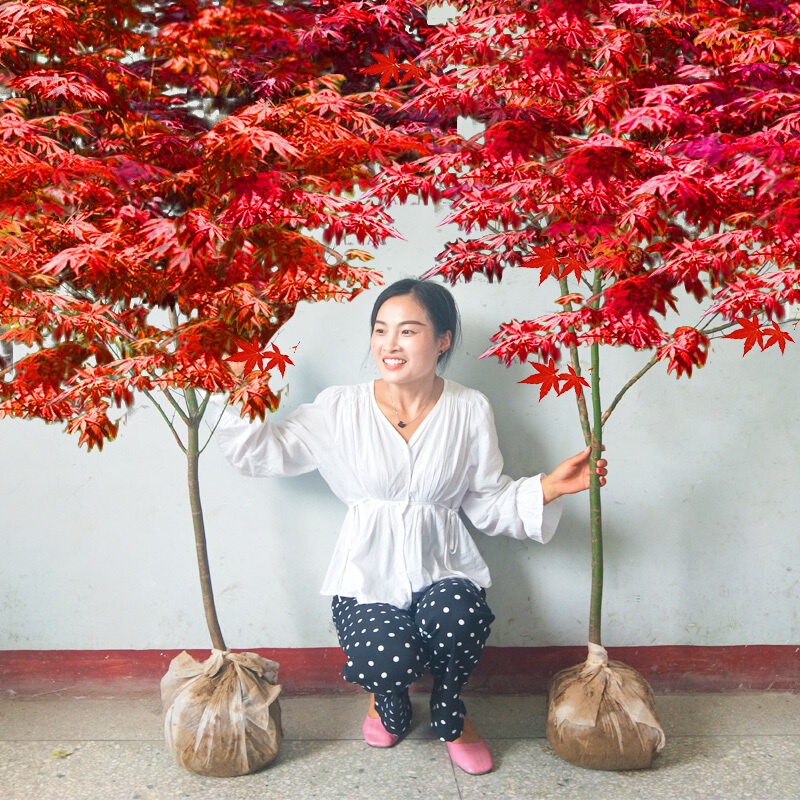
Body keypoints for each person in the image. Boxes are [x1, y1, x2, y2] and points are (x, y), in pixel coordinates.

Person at [216, 278, 607, 775]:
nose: (389, 344)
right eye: (380, 330)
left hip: (443, 565)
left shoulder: (469, 408)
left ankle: (450, 712)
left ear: (442, 340)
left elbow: (485, 501)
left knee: (460, 618)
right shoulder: (340, 408)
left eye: (408, 330)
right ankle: (390, 702)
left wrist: (549, 487)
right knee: (386, 659)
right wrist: (236, 382)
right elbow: (260, 454)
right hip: (365, 575)